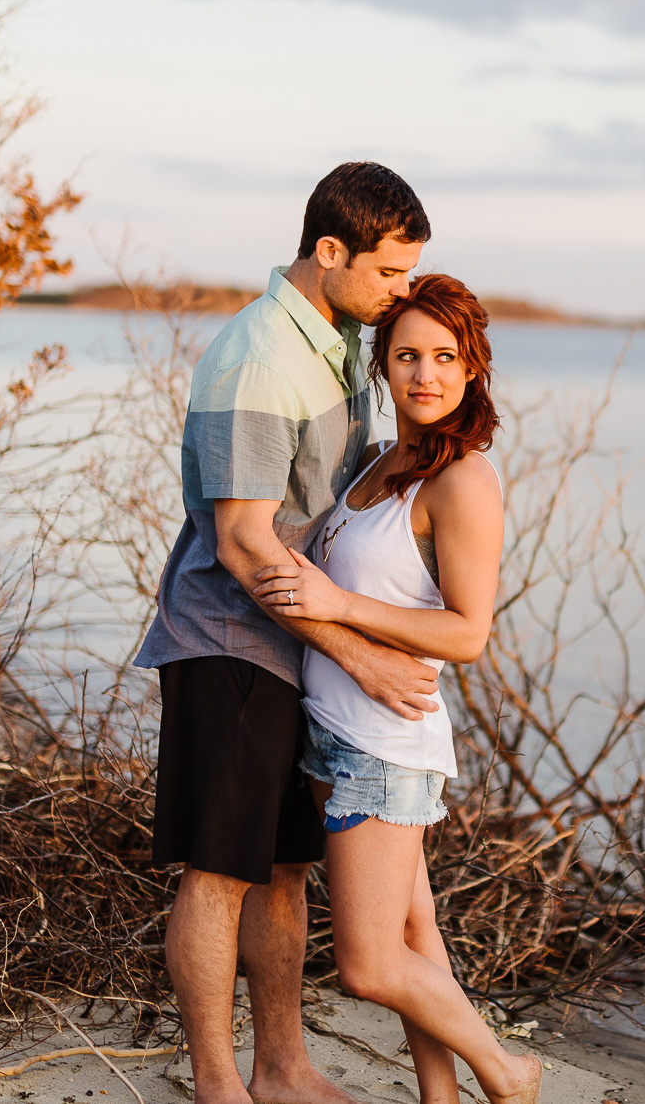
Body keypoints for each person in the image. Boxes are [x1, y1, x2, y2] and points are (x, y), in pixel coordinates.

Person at [136, 163, 444, 1104]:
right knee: (219, 872)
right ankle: (218, 1085)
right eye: (391, 275)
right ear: (329, 252)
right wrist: (357, 650)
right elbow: (241, 543)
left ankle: (282, 1067)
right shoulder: (260, 359)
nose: (402, 294)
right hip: (231, 644)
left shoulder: (339, 340)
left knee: (284, 868)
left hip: (295, 648)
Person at [250, 275, 544, 1104]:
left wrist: (338, 603)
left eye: (445, 357)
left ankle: (505, 1070)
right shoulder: (382, 460)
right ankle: (440, 1100)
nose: (426, 374)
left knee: (369, 964)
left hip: (384, 743)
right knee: (417, 935)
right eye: (408, 354)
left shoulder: (464, 480)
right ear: (382, 364)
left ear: (472, 367)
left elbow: (467, 632)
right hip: (330, 728)